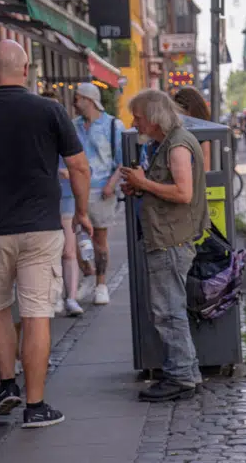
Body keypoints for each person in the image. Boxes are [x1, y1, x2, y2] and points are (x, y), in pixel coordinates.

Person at [0, 40, 89, 427]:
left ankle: (7, 384)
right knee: (37, 312)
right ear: (26, 70)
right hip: (40, 225)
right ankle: (35, 405)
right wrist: (83, 212)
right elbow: (79, 167)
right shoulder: (50, 110)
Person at [120, 89, 210, 401]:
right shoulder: (170, 143)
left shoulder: (177, 146)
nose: (134, 123)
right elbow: (170, 191)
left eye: (139, 117)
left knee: (168, 311)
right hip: (169, 236)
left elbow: (183, 193)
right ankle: (188, 371)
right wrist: (141, 188)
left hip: (170, 239)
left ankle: (181, 376)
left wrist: (144, 183)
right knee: (170, 309)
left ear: (154, 118)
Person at [73, 83, 124, 305]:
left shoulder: (113, 125)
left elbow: (123, 160)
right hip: (76, 189)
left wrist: (112, 184)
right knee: (75, 239)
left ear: (90, 100)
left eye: (78, 98)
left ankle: (101, 284)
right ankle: (88, 273)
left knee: (99, 240)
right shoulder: (74, 126)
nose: (75, 103)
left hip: (102, 189)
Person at [50, 93, 85, 318]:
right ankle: (55, 297)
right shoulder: (34, 135)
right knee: (51, 252)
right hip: (45, 200)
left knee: (69, 250)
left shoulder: (67, 133)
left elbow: (81, 165)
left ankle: (70, 297)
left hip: (65, 197)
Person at [173, 86, 215, 171]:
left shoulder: (202, 135)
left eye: (179, 112)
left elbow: (205, 170)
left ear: (189, 110)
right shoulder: (207, 128)